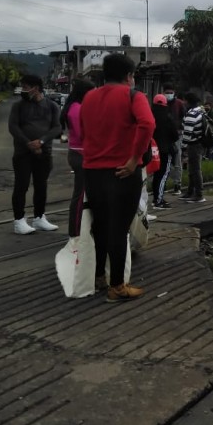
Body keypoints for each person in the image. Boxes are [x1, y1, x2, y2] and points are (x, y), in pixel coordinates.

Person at [80, 53, 154, 302]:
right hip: (123, 172)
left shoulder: (89, 97)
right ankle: (117, 287)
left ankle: (99, 276)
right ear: (129, 76)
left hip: (92, 171)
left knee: (99, 226)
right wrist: (134, 159)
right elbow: (147, 124)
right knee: (119, 229)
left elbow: (83, 129)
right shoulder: (134, 96)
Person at [8, 74, 62, 235]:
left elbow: (57, 128)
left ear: (36, 88)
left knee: (41, 186)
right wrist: (29, 143)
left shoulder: (51, 106)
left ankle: (39, 217)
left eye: (25, 87)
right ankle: (19, 220)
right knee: (21, 186)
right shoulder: (18, 106)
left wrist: (42, 141)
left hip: (44, 152)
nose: (23, 90)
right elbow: (13, 127)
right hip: (23, 153)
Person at [59, 77, 95, 236]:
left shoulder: (76, 106)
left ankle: (83, 229)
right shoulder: (76, 109)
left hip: (79, 153)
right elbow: (83, 135)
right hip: (80, 154)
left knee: (84, 194)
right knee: (79, 196)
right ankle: (74, 232)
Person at [151, 94, 179, 209]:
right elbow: (175, 135)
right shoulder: (167, 117)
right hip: (165, 150)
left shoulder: (150, 114)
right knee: (163, 174)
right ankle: (158, 200)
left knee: (156, 175)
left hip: (153, 150)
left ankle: (155, 198)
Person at [180, 92, 206, 203]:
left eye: (185, 100)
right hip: (198, 143)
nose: (183, 102)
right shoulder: (199, 111)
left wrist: (183, 147)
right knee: (192, 169)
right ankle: (190, 192)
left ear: (188, 101)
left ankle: (199, 194)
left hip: (193, 144)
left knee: (195, 169)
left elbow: (187, 132)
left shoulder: (192, 114)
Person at [163, 83, 186, 196]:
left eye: (170, 92)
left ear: (174, 93)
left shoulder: (179, 104)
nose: (169, 94)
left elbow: (184, 119)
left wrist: (181, 130)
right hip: (165, 136)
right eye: (167, 92)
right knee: (165, 160)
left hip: (177, 135)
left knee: (177, 159)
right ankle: (164, 183)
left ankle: (177, 184)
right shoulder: (161, 103)